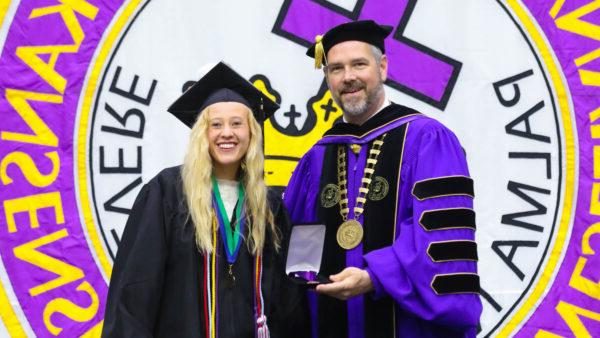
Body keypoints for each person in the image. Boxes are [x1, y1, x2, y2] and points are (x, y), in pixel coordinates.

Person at [283, 20, 482, 337]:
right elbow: (296, 238)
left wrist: (376, 276)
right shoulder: (317, 156)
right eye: (336, 68)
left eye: (358, 64)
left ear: (383, 67)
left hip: (408, 326)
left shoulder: (426, 139)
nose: (348, 77)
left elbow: (438, 238)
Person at [102, 62, 308, 338]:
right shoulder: (167, 193)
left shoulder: (268, 205)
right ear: (202, 134)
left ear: (251, 133)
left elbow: (286, 299)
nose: (227, 133)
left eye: (237, 124)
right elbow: (137, 289)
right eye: (216, 125)